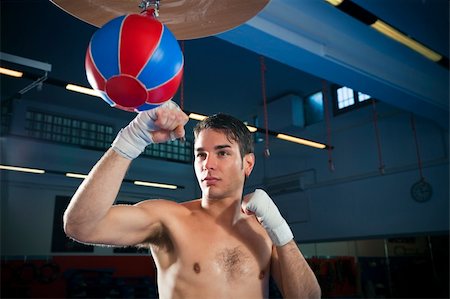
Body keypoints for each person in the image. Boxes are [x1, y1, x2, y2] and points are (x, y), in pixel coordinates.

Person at [64, 101, 321, 299]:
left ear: (248, 163)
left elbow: (307, 297)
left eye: (222, 153)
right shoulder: (171, 220)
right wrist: (132, 139)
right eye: (201, 155)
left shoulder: (265, 230)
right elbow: (80, 226)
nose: (208, 164)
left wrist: (279, 228)